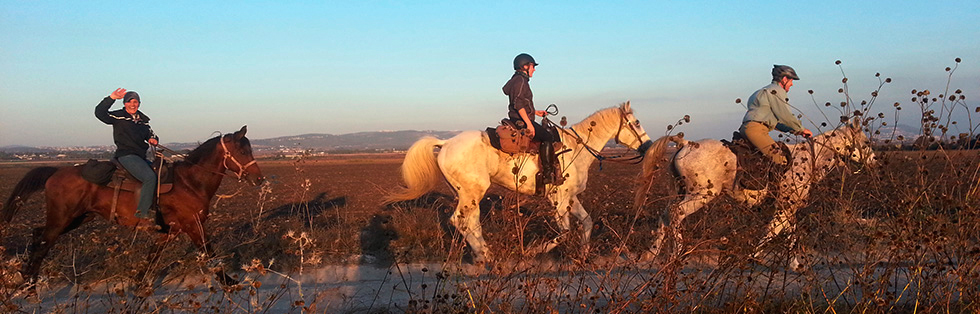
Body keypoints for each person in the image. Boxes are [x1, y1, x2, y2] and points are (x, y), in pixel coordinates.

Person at [95, 88, 159, 222]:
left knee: (160, 173)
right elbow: (100, 113)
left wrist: (153, 140)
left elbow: (151, 134)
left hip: (141, 156)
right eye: (130, 102)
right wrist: (111, 98)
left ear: (139, 104)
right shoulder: (118, 117)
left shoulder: (143, 121)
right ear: (125, 103)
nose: (133, 104)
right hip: (126, 155)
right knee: (149, 178)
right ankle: (142, 213)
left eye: (136, 102)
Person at [502, 53, 561, 185]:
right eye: (532, 66)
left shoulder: (517, 80)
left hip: (520, 118)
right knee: (548, 137)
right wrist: (529, 124)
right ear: (524, 66)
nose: (534, 69)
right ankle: (547, 173)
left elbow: (518, 103)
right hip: (521, 121)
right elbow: (517, 104)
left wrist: (535, 112)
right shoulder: (521, 81)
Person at [739, 65, 813, 166]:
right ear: (784, 79)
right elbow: (786, 116)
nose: (792, 84)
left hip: (747, 129)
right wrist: (801, 129)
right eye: (791, 81)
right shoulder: (776, 91)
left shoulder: (760, 92)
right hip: (757, 131)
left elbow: (776, 123)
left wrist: (795, 131)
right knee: (781, 161)